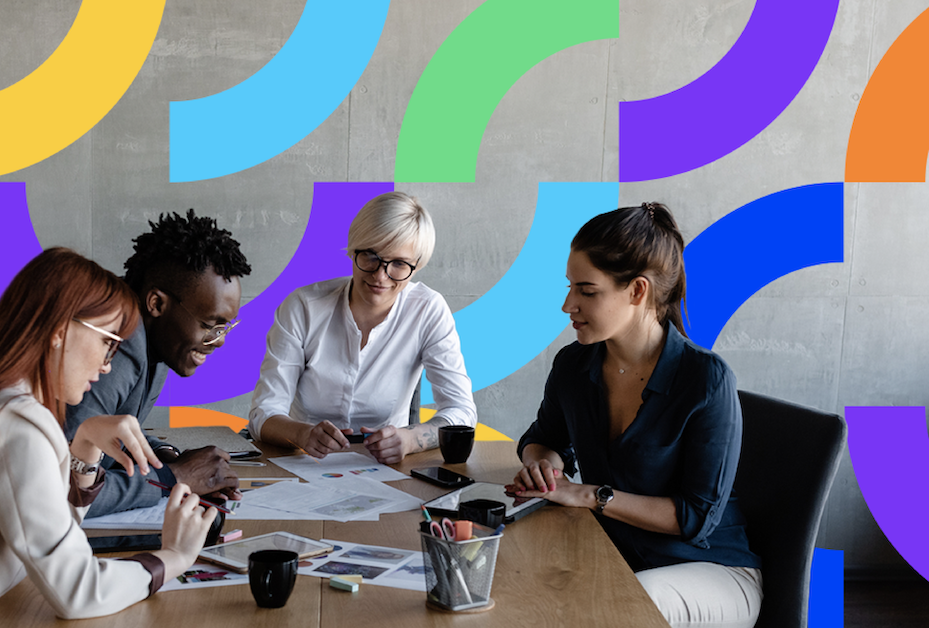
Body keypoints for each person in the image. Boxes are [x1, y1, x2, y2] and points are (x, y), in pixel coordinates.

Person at [0, 248, 217, 627]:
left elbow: (54, 536)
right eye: (108, 342)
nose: (108, 363)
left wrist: (84, 446)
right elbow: (76, 591)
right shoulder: (13, 424)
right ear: (60, 331)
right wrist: (173, 557)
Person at [508, 203, 763, 628]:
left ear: (638, 291)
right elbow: (545, 439)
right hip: (616, 556)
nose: (568, 304)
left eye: (587, 291)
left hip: (710, 568)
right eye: (570, 287)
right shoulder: (574, 365)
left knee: (617, 608)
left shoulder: (705, 379)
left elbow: (694, 519)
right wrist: (543, 467)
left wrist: (590, 495)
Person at [249, 191, 477, 464]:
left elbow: (461, 412)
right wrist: (302, 434)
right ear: (352, 250)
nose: (380, 276)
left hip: (386, 469)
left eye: (399, 264)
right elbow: (262, 414)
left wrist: (408, 440)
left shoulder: (428, 310)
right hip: (303, 462)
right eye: (370, 256)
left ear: (416, 267)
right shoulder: (303, 306)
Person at [66, 209, 252, 517]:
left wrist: (165, 457)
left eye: (225, 327)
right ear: (157, 304)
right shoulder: (115, 344)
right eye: (209, 324)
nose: (219, 340)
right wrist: (174, 477)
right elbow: (70, 486)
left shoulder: (157, 337)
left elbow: (108, 432)